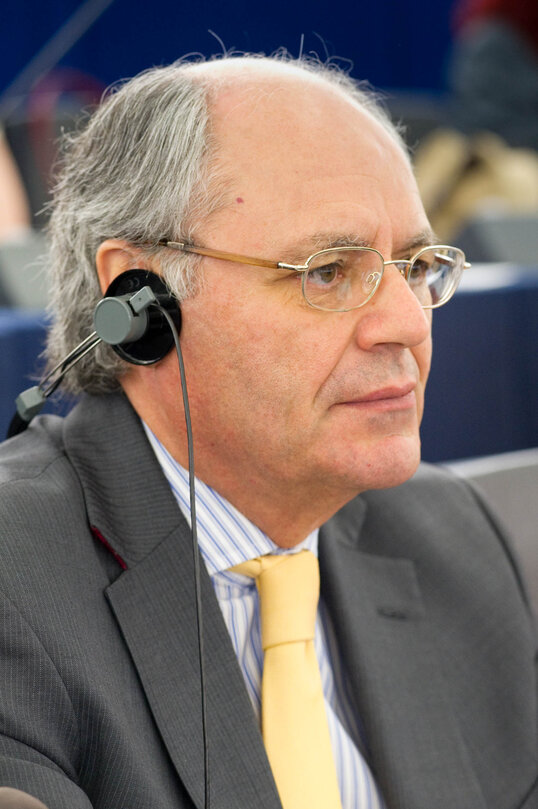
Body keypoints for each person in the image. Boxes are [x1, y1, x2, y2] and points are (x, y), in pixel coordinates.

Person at [0, 54, 535, 809]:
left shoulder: (449, 538)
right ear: (141, 298)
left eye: (415, 266)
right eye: (327, 271)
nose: (408, 325)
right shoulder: (15, 583)